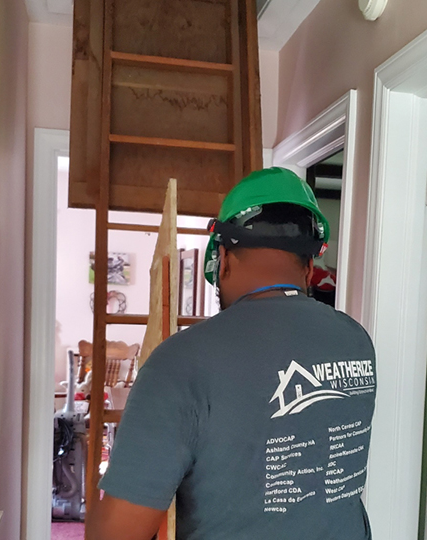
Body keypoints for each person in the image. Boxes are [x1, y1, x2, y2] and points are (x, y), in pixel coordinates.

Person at [88, 168, 377, 540]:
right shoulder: (356, 341)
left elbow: (116, 533)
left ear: (223, 258)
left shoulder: (181, 362)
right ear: (309, 266)